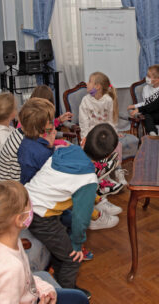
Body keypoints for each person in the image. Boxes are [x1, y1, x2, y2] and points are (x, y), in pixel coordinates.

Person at [24, 123, 120, 298]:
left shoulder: (65, 150)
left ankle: (60, 286)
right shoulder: (89, 180)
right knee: (72, 258)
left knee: (63, 247)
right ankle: (65, 297)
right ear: (107, 156)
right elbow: (81, 219)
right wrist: (77, 244)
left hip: (27, 202)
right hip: (40, 217)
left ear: (83, 140)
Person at [0, 181, 89, 304]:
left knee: (78, 298)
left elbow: (24, 281)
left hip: (29, 294)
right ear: (19, 219)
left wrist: (42, 289)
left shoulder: (3, 241)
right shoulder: (10, 268)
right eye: (29, 203)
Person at [79, 72, 126, 194]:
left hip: (105, 134)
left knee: (116, 145)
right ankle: (104, 176)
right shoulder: (85, 100)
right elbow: (83, 122)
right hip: (91, 136)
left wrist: (114, 134)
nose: (87, 84)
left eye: (90, 81)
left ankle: (117, 171)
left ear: (97, 86)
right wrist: (84, 138)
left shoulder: (108, 100)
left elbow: (111, 121)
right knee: (95, 149)